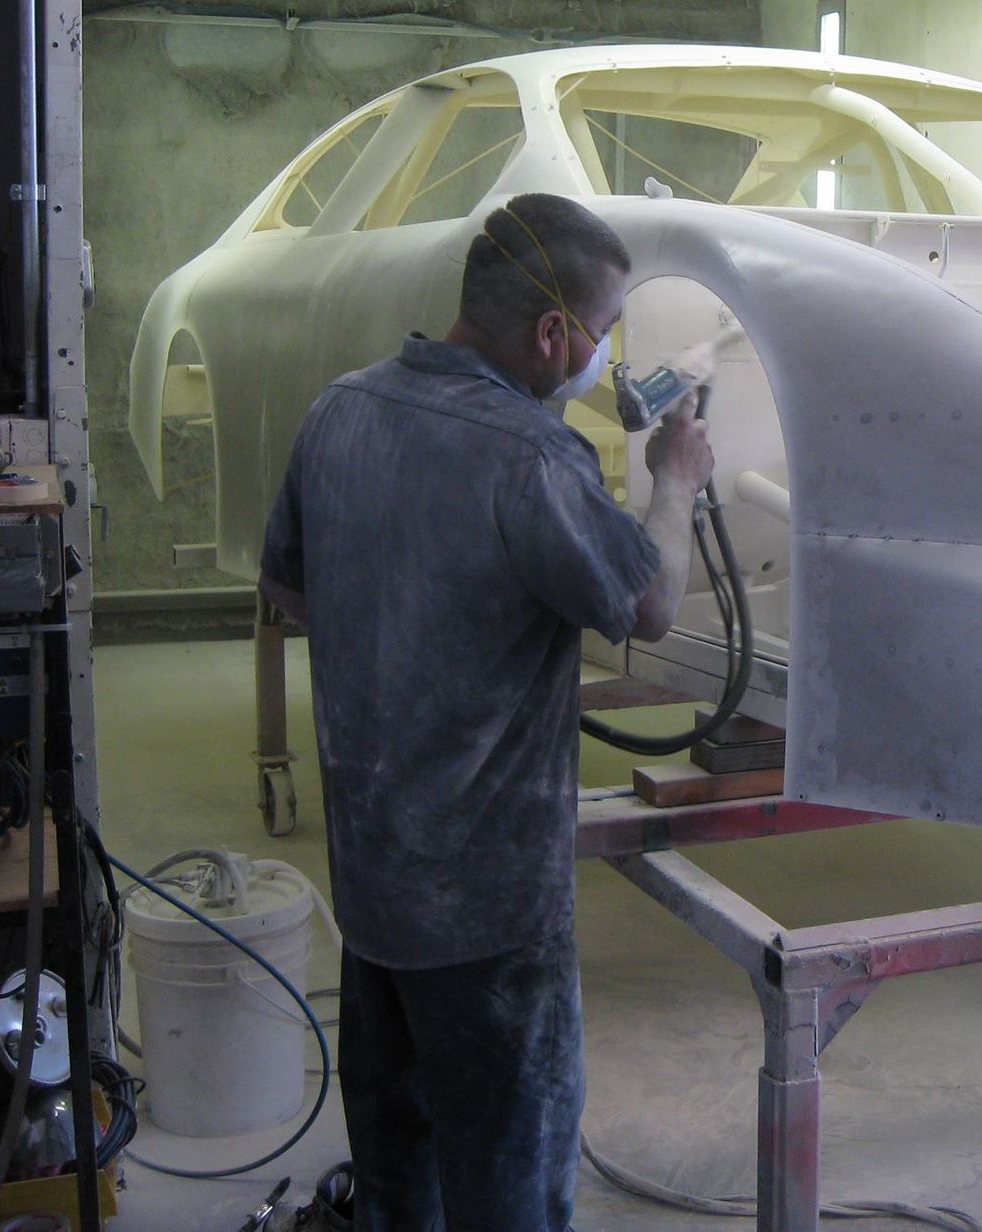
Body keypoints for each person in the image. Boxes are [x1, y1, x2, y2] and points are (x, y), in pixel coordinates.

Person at [258, 192, 713, 1232]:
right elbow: (646, 605)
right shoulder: (530, 457)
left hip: (373, 892)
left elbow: (286, 587)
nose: (602, 359)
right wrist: (675, 481)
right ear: (553, 333)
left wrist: (403, 628)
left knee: (397, 1168)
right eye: (601, 336)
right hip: (492, 913)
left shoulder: (341, 408)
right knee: (509, 1178)